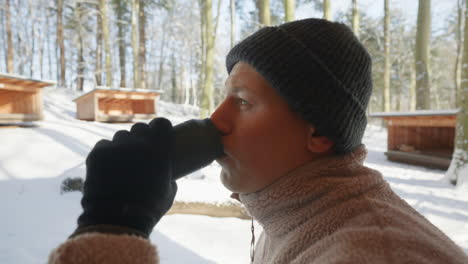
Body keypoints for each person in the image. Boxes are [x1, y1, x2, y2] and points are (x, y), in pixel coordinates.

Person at [49, 18, 468, 264]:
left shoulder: (374, 253)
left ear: (318, 131)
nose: (216, 119)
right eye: (224, 96)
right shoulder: (295, 215)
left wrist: (112, 229)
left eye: (243, 101)